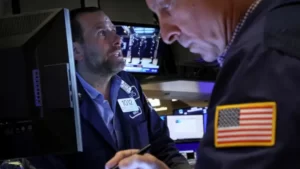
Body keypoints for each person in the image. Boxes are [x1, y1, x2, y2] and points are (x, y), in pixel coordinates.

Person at [105, 0, 300, 168]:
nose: (166, 34)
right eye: (157, 16)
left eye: (167, 5)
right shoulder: (282, 23)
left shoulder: (262, 59)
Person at [26, 7, 190, 169]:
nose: (118, 39)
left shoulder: (129, 84)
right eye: (102, 33)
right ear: (76, 51)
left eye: (113, 30)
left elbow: (163, 145)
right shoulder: (54, 100)